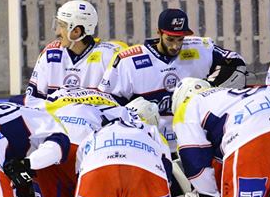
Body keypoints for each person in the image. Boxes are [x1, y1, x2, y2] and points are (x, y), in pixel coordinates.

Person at [101, 8, 247, 149]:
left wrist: (210, 86)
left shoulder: (200, 48)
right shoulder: (127, 61)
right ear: (159, 32)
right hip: (150, 146)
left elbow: (235, 62)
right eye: (170, 39)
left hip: (195, 142)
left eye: (180, 39)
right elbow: (107, 103)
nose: (175, 46)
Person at [24, 0, 127, 104]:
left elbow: (123, 105)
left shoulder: (109, 57)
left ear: (77, 31)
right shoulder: (50, 55)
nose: (57, 32)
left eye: (62, 26)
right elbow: (32, 102)